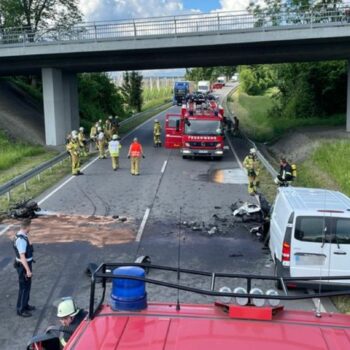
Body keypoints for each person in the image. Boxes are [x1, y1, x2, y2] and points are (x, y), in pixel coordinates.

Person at [13, 219, 35, 317]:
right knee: (24, 288)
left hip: (25, 264)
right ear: (27, 227)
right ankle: (20, 309)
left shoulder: (23, 236)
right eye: (30, 226)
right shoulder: (21, 240)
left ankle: (25, 305)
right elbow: (22, 257)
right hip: (23, 266)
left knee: (27, 286)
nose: (31, 228)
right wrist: (28, 270)